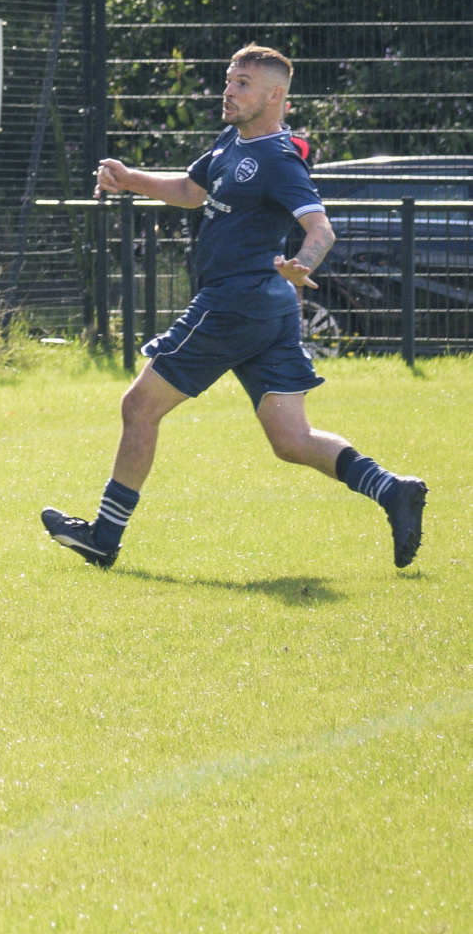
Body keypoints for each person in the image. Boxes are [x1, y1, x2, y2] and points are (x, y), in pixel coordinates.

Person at [42, 44, 427, 569]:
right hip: (267, 309)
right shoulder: (232, 140)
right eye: (229, 80)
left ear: (274, 95)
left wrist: (302, 263)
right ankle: (392, 489)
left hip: (234, 303)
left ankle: (104, 537)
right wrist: (129, 178)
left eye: (242, 83)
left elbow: (321, 228)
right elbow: (190, 189)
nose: (228, 90)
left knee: (139, 406)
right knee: (291, 439)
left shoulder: (278, 158)